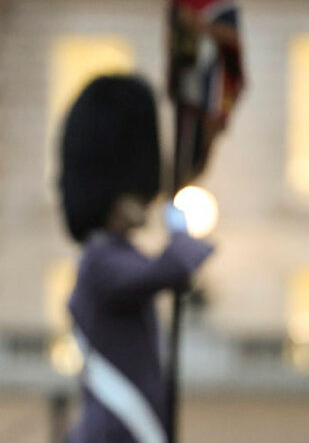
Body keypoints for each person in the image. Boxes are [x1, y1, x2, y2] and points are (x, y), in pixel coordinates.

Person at [60, 75, 213, 443]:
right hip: (114, 429)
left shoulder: (120, 254)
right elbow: (174, 267)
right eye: (135, 192)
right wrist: (179, 226)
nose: (146, 198)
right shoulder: (100, 259)